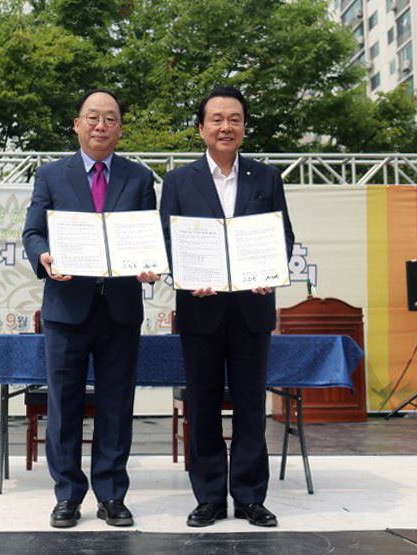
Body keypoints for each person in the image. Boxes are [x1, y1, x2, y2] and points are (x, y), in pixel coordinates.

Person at [22, 89, 158, 528]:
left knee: (117, 405)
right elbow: (33, 233)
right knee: (64, 405)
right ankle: (67, 496)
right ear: (77, 124)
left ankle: (112, 495)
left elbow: (147, 236)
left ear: (120, 128)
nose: (101, 125)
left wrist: (150, 264)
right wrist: (43, 256)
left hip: (120, 308)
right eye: (93, 117)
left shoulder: (139, 178)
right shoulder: (51, 175)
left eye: (110, 118)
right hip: (67, 308)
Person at [160, 85, 295, 528]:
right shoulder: (178, 182)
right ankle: (209, 498)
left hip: (252, 310)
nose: (225, 127)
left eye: (234, 119)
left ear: (244, 128)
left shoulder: (266, 178)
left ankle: (251, 497)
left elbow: (283, 236)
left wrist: (270, 271)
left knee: (251, 406)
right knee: (201, 406)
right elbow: (168, 240)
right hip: (200, 309)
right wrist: (186, 276)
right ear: (201, 128)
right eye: (216, 119)